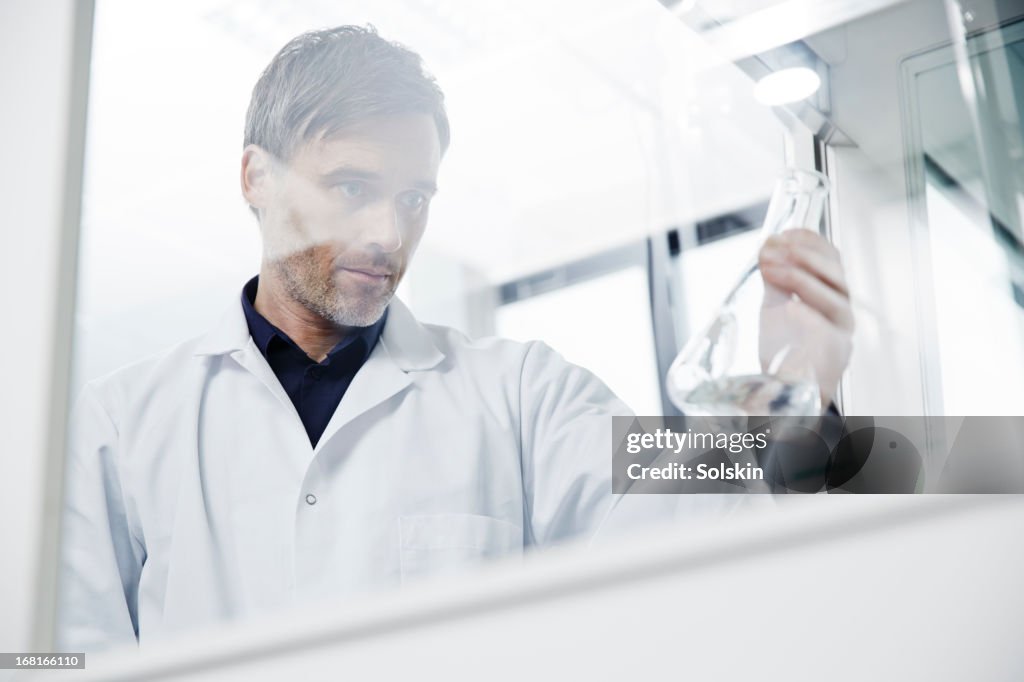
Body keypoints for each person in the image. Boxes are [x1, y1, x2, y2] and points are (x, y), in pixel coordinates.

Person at [56, 25, 854, 652]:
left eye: (413, 198)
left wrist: (784, 396)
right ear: (255, 178)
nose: (387, 234)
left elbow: (681, 525)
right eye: (352, 188)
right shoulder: (121, 425)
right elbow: (60, 654)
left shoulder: (522, 393)